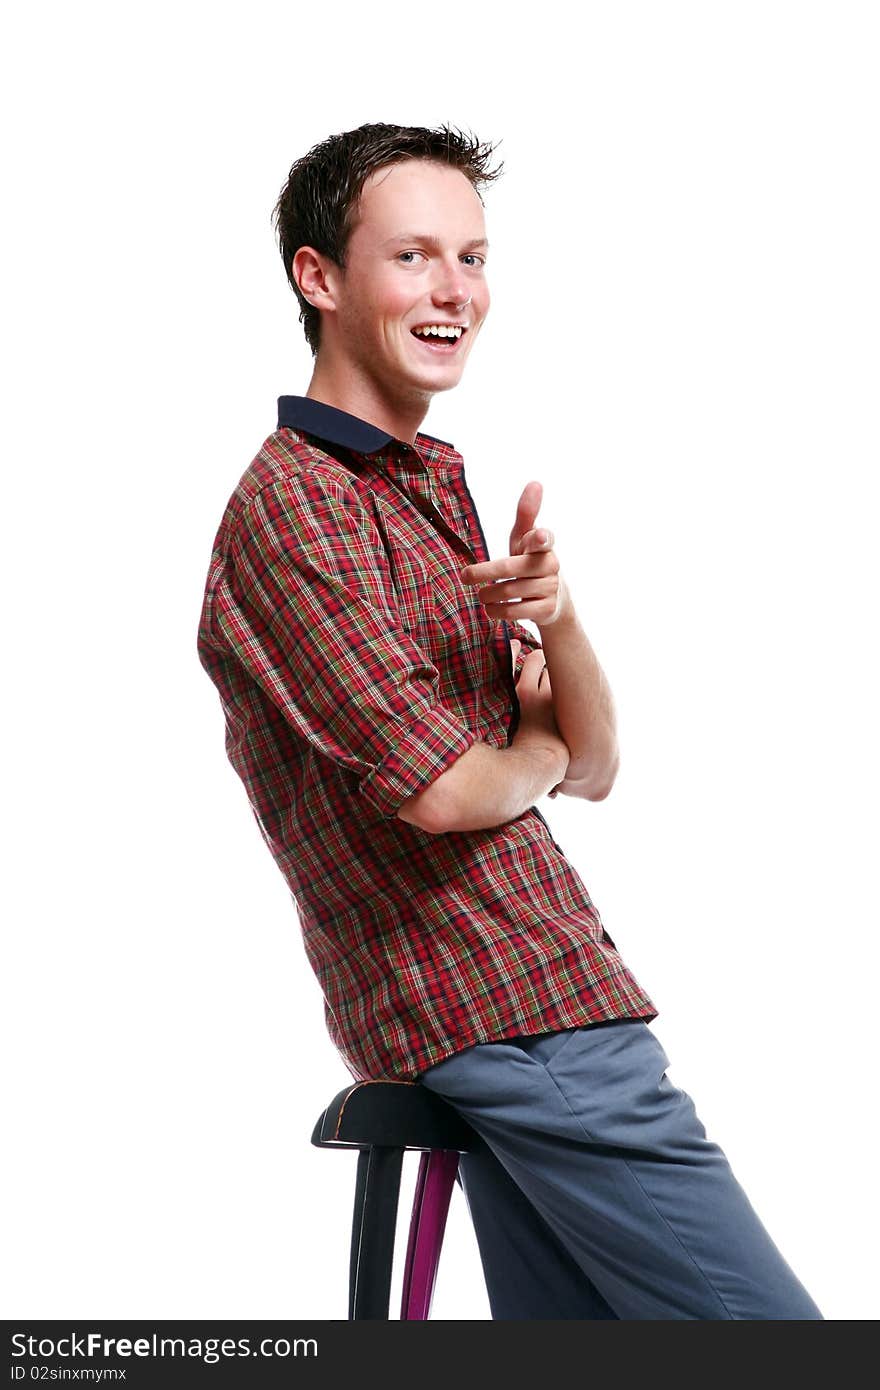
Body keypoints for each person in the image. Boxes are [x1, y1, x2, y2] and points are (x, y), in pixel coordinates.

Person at [196, 122, 823, 1319]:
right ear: (317, 276)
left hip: (538, 1002)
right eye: (415, 256)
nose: (455, 292)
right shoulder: (297, 510)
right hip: (498, 1009)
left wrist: (560, 617)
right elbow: (449, 792)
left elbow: (590, 765)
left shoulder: (424, 482)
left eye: (474, 258)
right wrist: (525, 749)